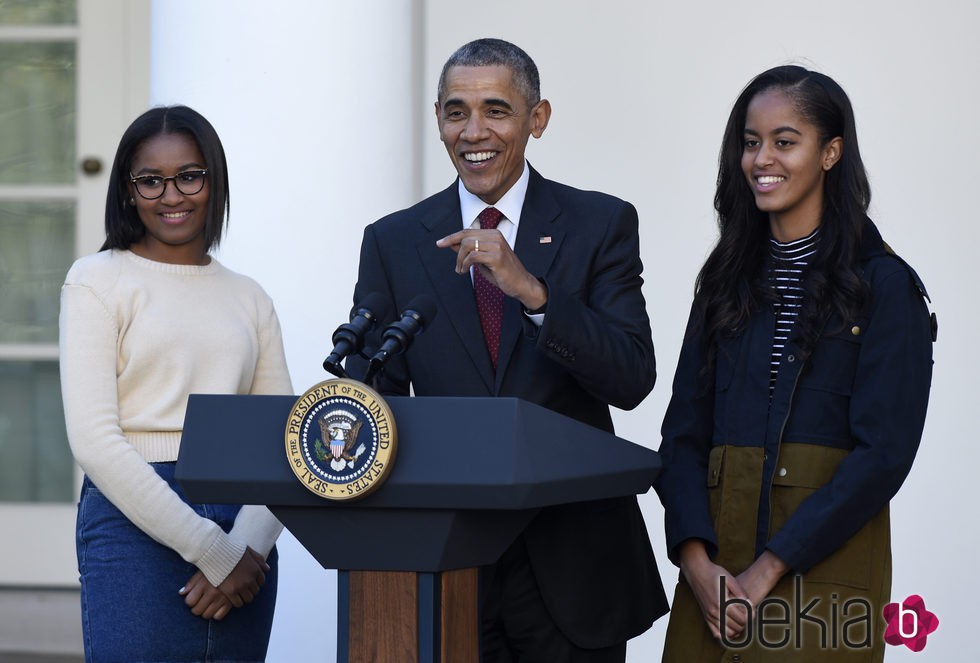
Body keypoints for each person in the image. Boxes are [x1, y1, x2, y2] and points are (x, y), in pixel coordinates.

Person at [344, 37, 668, 662]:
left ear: (536, 119)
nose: (474, 131)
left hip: (572, 561)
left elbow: (631, 377)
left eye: (496, 109)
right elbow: (373, 395)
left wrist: (534, 293)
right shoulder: (393, 240)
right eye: (456, 111)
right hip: (447, 560)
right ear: (437, 117)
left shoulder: (600, 224)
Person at [655, 65, 935, 662]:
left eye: (785, 141)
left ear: (831, 152)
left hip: (821, 584)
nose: (761, 159)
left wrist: (766, 571)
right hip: (713, 585)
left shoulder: (884, 287)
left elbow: (883, 454)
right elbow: (681, 435)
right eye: (750, 143)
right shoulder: (725, 283)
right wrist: (698, 564)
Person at [59, 105, 292, 662]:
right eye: (150, 181)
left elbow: (287, 441)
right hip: (132, 521)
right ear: (127, 190)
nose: (172, 195)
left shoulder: (249, 296)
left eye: (190, 175)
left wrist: (247, 547)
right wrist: (210, 549)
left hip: (245, 530)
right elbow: (94, 440)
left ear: (214, 180)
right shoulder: (97, 281)